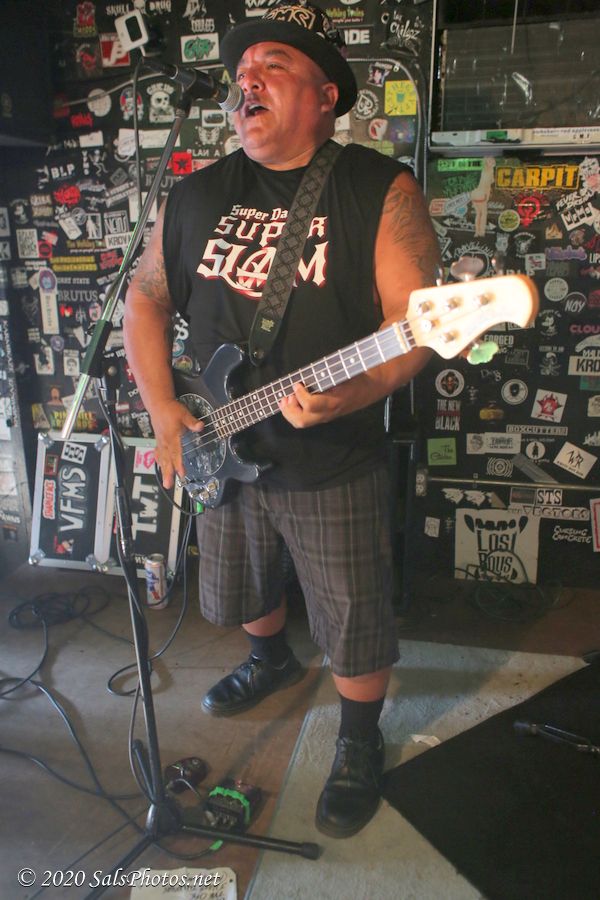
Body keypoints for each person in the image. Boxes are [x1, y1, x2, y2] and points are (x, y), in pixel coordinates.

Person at [123, 1, 441, 839]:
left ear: (326, 95)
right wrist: (164, 411)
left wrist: (354, 391)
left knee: (354, 616)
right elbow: (145, 301)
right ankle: (270, 658)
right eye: (241, 73)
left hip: (329, 453)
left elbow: (414, 325)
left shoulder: (377, 187)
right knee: (241, 584)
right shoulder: (196, 195)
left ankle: (359, 738)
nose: (248, 82)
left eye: (274, 66)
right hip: (218, 437)